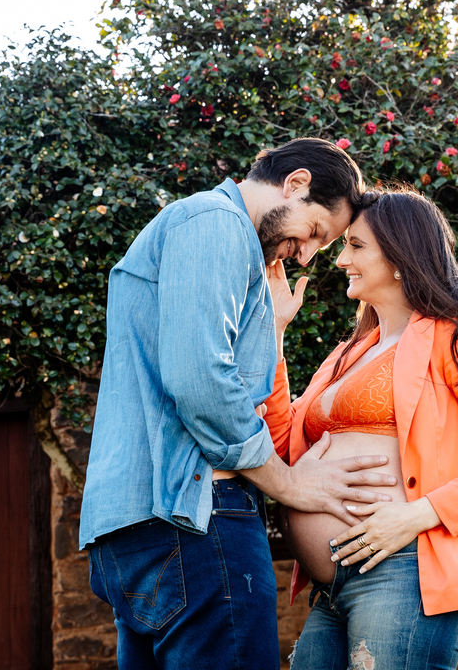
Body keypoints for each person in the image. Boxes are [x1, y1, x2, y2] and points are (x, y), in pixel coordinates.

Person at [80, 138, 400, 670]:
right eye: (316, 232)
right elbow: (201, 379)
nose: (306, 254)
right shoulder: (215, 222)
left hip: (135, 526)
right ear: (295, 184)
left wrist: (270, 327)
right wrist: (288, 483)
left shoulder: (193, 232)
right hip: (197, 523)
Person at [262, 186, 458, 670]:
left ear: (399, 257)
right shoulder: (347, 354)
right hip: (334, 590)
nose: (339, 261)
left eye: (355, 246)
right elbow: (280, 446)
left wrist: (418, 514)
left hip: (406, 575)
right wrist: (274, 334)